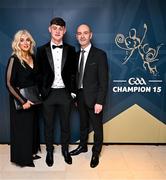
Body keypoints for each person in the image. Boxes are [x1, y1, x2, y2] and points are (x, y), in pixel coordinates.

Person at [36, 17, 76, 167]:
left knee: (66, 125)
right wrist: (41, 92)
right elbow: (38, 74)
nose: (57, 31)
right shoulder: (41, 50)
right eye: (55, 28)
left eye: (60, 28)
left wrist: (73, 92)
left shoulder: (71, 50)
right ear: (50, 29)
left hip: (65, 94)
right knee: (48, 126)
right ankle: (49, 152)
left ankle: (65, 150)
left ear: (64, 31)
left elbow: (74, 73)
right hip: (48, 94)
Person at [70, 24, 108, 168]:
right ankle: (83, 146)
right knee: (83, 125)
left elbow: (103, 81)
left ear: (90, 35)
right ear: (76, 36)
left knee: (97, 128)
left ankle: (95, 152)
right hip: (80, 97)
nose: (82, 36)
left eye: (85, 33)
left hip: (94, 99)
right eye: (79, 33)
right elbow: (74, 77)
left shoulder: (99, 54)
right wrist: (74, 97)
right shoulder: (76, 55)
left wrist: (100, 101)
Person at [6, 30, 41, 167]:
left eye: (28, 40)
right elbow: (9, 84)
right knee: (22, 129)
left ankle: (30, 153)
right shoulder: (14, 59)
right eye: (22, 40)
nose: (25, 43)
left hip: (33, 99)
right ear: (17, 43)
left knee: (31, 128)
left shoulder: (32, 57)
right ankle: (22, 158)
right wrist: (23, 101)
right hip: (20, 100)